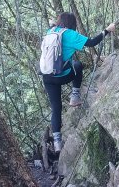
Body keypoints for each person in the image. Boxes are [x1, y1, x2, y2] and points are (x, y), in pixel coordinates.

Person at [42, 12, 115, 152]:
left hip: (47, 77)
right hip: (61, 75)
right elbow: (92, 42)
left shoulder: (50, 31)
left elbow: (52, 26)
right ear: (72, 24)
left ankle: (57, 142)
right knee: (77, 65)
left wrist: (52, 23)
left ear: (59, 22)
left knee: (56, 108)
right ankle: (74, 96)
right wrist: (107, 30)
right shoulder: (70, 34)